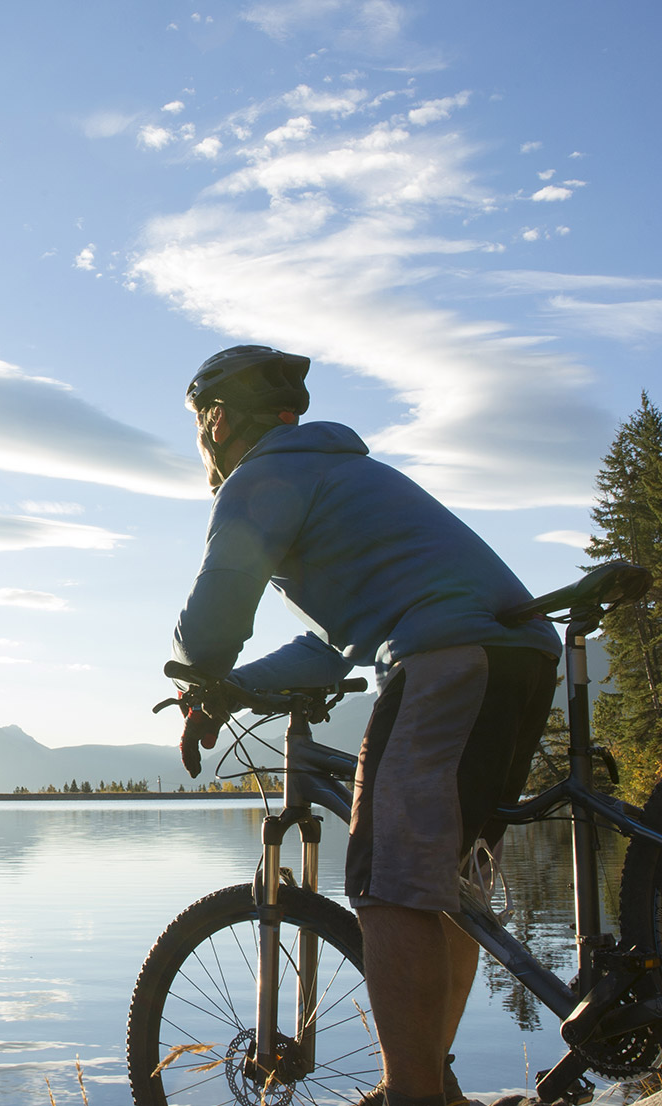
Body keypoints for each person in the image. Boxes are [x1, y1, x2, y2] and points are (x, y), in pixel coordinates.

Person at [170, 344, 560, 1106]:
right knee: (449, 884)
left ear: (216, 421)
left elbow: (216, 612)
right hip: (518, 653)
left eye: (198, 424)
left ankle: (412, 1093)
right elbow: (331, 645)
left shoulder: (264, 478)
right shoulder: (342, 473)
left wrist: (195, 679)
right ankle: (429, 1084)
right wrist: (239, 687)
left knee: (389, 887)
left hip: (444, 656)